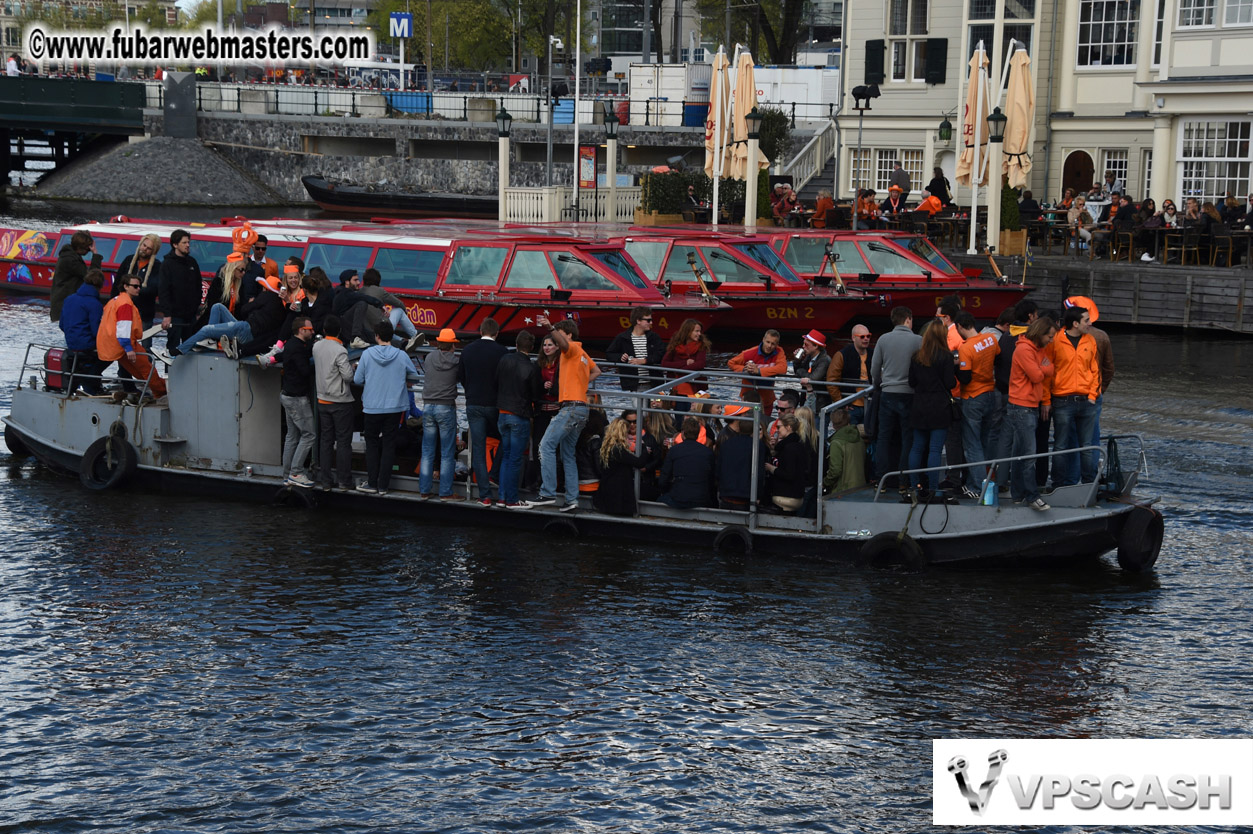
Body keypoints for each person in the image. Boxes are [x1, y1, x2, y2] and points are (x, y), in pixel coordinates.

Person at [533, 315, 601, 512]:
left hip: (570, 408)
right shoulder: (581, 351)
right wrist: (580, 383)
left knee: (545, 446)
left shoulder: (570, 349)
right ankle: (572, 500)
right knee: (568, 455)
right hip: (581, 409)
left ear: (569, 335)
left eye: (560, 336)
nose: (556, 341)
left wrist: (550, 327)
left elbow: (563, 343)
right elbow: (597, 371)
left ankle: (547, 493)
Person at [353, 320, 418, 496]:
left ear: (377, 336)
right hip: (395, 406)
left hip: (372, 407)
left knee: (372, 444)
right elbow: (415, 376)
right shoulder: (401, 355)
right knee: (389, 444)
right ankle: (383, 486)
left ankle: (372, 483)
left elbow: (358, 380)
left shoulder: (367, 354)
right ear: (391, 337)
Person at [166, 274, 283, 359]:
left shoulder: (267, 296)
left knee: (207, 329)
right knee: (218, 307)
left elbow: (244, 310)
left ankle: (178, 350)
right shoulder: (279, 305)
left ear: (266, 288)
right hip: (250, 333)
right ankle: (211, 341)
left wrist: (252, 303)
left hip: (246, 329)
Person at [1007, 317, 1057, 511]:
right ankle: (1031, 496)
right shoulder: (1024, 350)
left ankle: (1018, 494)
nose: (1051, 340)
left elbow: (1048, 368)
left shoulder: (1038, 349)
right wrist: (1043, 367)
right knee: (1029, 454)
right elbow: (1038, 375)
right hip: (1022, 407)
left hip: (1029, 405)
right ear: (1040, 333)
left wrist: (1042, 368)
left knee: (1020, 452)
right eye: (1050, 336)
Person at [1049, 305, 1100, 487]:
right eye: (1087, 320)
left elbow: (1095, 371)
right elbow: (1048, 369)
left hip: (1086, 401)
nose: (1090, 323)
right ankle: (1059, 485)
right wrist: (1048, 400)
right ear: (1075, 323)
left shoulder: (1090, 341)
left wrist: (1093, 395)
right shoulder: (1055, 340)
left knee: (1087, 447)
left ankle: (1088, 485)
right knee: (1060, 446)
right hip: (1062, 400)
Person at [870, 307, 921, 488]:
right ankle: (903, 480)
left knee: (884, 437)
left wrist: (878, 385)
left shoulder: (883, 339)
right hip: (909, 394)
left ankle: (881, 479)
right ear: (908, 319)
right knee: (908, 438)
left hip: (888, 393)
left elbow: (875, 369)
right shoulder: (918, 341)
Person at [460, 317, 508, 504]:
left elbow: (461, 376)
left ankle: (485, 496)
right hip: (495, 404)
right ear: (496, 333)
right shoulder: (503, 352)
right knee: (507, 438)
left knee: (478, 450)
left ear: (480, 331)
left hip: (473, 403)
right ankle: (494, 474)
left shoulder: (467, 350)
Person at [97, 272, 167, 398]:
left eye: (139, 286)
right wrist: (128, 348)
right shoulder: (126, 304)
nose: (138, 289)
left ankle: (153, 390)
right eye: (135, 286)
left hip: (114, 344)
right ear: (125, 286)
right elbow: (124, 327)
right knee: (147, 369)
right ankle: (162, 393)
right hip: (126, 344)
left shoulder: (114, 301)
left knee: (139, 372)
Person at [906, 319, 956, 493]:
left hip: (919, 405)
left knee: (917, 447)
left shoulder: (916, 356)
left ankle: (914, 485)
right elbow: (950, 383)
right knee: (935, 449)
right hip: (939, 407)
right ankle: (933, 487)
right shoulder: (946, 357)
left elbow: (911, 381)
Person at [955, 311, 1000, 497]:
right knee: (984, 442)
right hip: (990, 393)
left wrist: (955, 365)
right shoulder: (990, 339)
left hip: (973, 397)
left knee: (972, 444)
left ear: (959, 327)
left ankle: (978, 488)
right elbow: (997, 357)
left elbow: (965, 377)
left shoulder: (966, 348)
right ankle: (981, 482)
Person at [496, 330, 542, 508]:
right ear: (530, 348)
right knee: (515, 459)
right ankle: (512, 499)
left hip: (502, 413)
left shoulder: (504, 360)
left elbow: (496, 381)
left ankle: (502, 497)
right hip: (519, 415)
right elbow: (535, 394)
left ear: (516, 344)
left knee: (506, 457)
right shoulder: (531, 367)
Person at [419, 327, 463, 501]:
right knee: (447, 452)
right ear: (452, 345)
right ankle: (445, 492)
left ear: (438, 343)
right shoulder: (456, 362)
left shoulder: (429, 358)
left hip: (428, 406)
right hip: (446, 407)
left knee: (427, 450)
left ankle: (424, 490)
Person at [312, 314, 355, 492]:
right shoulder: (340, 350)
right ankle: (345, 481)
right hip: (340, 401)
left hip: (322, 400)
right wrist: (352, 368)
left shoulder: (316, 347)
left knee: (326, 441)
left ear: (323, 330)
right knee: (344, 442)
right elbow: (348, 377)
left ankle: (326, 481)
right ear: (339, 331)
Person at [278, 316, 317, 488]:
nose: (313, 331)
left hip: (287, 395)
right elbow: (304, 371)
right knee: (309, 435)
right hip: (297, 399)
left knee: (292, 436)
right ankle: (296, 472)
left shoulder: (292, 345)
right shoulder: (297, 349)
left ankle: (287, 475)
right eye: (310, 329)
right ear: (302, 330)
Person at [592, 413, 652, 516]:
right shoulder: (618, 450)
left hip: (608, 488)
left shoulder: (606, 446)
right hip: (618, 493)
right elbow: (639, 463)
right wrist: (644, 449)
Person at [58, 268, 106, 395]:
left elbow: (62, 324)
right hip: (86, 345)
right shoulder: (94, 303)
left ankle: (85, 381)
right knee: (112, 353)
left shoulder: (69, 299)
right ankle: (92, 382)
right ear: (100, 285)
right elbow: (96, 331)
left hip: (71, 343)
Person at [157, 229, 204, 352]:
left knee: (191, 347)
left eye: (188, 242)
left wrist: (197, 308)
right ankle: (170, 371)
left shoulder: (192, 262)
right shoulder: (167, 264)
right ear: (175, 245)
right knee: (173, 347)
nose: (188, 245)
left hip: (191, 315)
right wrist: (167, 314)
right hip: (175, 316)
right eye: (184, 242)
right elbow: (163, 291)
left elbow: (198, 286)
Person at [656, 416, 716, 509]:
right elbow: (711, 480)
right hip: (701, 498)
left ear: (683, 433)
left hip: (679, 498)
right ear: (698, 433)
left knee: (659, 501)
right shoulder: (707, 452)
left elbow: (663, 478)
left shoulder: (674, 450)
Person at [727, 329, 788, 417]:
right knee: (747, 423)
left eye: (773, 344)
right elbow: (731, 363)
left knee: (765, 424)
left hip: (767, 399)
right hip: (748, 398)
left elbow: (782, 369)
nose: (769, 346)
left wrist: (758, 371)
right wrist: (745, 369)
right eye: (768, 342)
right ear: (763, 339)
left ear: (777, 345)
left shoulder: (779, 351)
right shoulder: (749, 353)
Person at [114, 233, 162, 341]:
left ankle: (146, 357)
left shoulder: (157, 266)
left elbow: (155, 289)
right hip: (123, 308)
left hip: (144, 312)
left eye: (149, 248)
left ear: (153, 251)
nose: (144, 249)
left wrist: (134, 290)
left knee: (145, 342)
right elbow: (117, 283)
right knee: (122, 338)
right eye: (144, 245)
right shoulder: (128, 260)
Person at [360, 268, 421, 350]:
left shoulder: (360, 292)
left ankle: (402, 340)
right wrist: (405, 311)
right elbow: (398, 303)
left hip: (368, 332)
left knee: (384, 330)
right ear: (378, 280)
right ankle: (415, 335)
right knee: (399, 310)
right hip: (381, 329)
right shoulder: (379, 291)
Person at [605, 306, 664, 392]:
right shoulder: (622, 338)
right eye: (648, 320)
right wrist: (620, 357)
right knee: (637, 405)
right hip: (633, 385)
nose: (651, 322)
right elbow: (609, 354)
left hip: (654, 384)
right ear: (638, 321)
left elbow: (661, 354)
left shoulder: (654, 337)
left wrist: (644, 361)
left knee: (655, 405)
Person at [49, 230, 102, 323]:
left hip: (61, 303)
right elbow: (92, 277)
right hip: (64, 305)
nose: (89, 250)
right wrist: (95, 254)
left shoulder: (68, 256)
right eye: (88, 248)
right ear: (81, 248)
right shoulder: (71, 260)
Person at [826, 324, 873, 427]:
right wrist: (841, 402)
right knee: (850, 435)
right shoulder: (842, 355)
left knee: (869, 435)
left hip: (869, 404)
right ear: (853, 338)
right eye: (862, 337)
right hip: (851, 406)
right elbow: (831, 381)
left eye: (868, 336)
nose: (866, 339)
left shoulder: (873, 353)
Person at [660, 318, 710, 410]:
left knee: (694, 415)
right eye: (696, 331)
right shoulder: (675, 345)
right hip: (677, 388)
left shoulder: (701, 346)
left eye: (700, 331)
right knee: (680, 417)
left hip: (695, 387)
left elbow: (700, 364)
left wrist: (680, 371)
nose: (699, 334)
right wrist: (684, 363)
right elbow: (664, 363)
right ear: (688, 331)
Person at [765, 414, 810, 512]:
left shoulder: (789, 449)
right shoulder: (798, 445)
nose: (777, 430)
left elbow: (789, 474)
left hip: (786, 495)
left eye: (779, 427)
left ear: (788, 427)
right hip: (797, 494)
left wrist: (771, 468)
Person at [823, 409, 867, 494]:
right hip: (861, 485)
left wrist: (825, 482)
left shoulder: (836, 443)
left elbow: (835, 470)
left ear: (833, 424)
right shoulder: (860, 440)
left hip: (842, 489)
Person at [795, 329, 831, 412]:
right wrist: (797, 360)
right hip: (808, 399)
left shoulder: (825, 360)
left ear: (816, 346)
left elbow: (813, 379)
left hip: (820, 403)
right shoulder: (809, 356)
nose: (803, 346)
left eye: (806, 344)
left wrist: (800, 371)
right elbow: (797, 372)